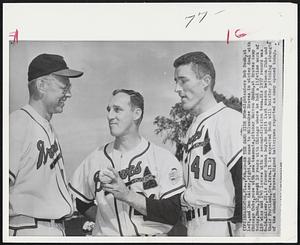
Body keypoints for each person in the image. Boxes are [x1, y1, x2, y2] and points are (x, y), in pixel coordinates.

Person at [69, 89, 185, 236]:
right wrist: (107, 223)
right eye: (109, 110)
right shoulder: (95, 159)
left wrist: (127, 195)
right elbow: (82, 202)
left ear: (137, 114)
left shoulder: (161, 158)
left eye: (117, 110)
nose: (110, 116)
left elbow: (172, 212)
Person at [9, 53, 84, 236]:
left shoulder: (46, 126)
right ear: (41, 85)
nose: (69, 93)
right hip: (28, 228)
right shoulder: (18, 122)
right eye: (63, 86)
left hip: (54, 228)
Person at [173, 51, 242, 236]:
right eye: (176, 82)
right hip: (194, 224)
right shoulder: (192, 129)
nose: (177, 89)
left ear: (205, 81)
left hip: (221, 223)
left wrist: (244, 228)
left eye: (183, 80)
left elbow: (246, 178)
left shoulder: (229, 119)